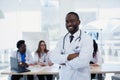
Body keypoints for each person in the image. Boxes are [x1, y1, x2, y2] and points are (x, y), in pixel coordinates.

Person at [50, 12, 93, 80]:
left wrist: (63, 62)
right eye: (67, 21)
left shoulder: (87, 39)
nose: (69, 24)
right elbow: (53, 57)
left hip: (80, 77)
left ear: (79, 22)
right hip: (64, 77)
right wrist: (69, 56)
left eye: (72, 21)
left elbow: (83, 61)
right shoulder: (62, 39)